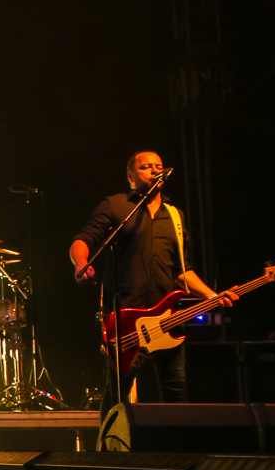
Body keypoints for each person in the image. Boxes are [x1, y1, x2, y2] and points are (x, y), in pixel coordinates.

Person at [69, 151, 234, 411]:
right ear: (131, 176)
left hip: (167, 316)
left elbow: (182, 271)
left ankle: (175, 439)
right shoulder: (116, 205)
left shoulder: (175, 216)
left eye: (158, 166)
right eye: (146, 167)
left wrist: (212, 296)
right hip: (126, 315)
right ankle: (111, 438)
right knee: (117, 392)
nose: (155, 170)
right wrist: (81, 263)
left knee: (176, 390)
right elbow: (83, 239)